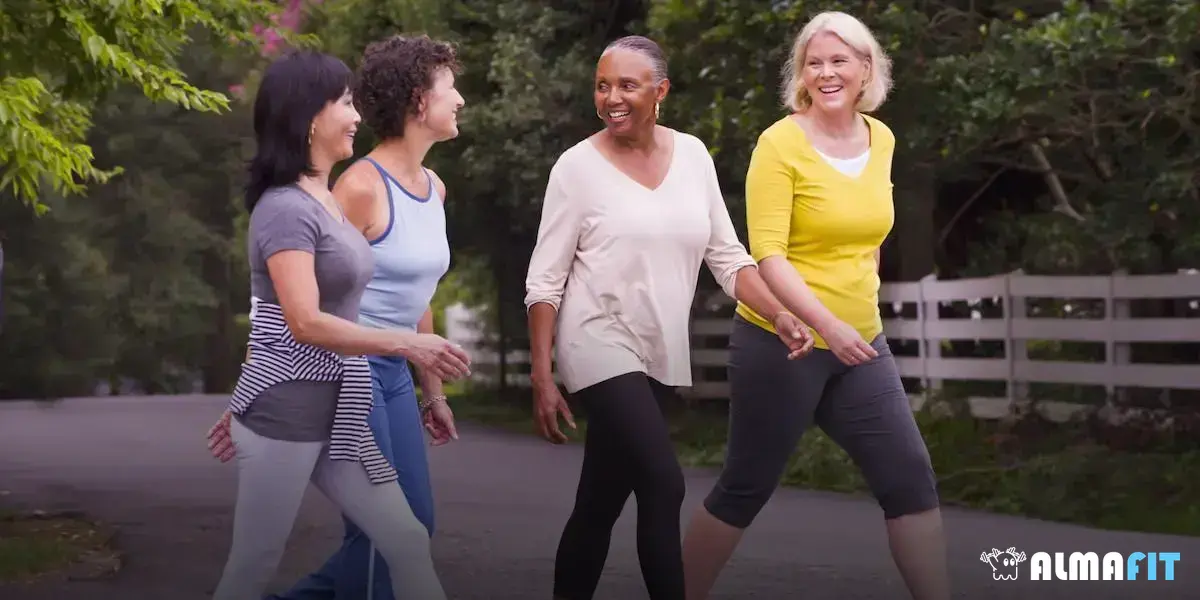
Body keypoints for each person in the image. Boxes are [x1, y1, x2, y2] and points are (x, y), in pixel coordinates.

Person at [523, 35, 814, 600]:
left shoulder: (694, 156)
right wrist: (542, 372)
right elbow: (545, 280)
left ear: (661, 92)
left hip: (659, 351)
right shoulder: (576, 168)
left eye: (627, 85)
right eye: (602, 85)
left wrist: (777, 313)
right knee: (664, 483)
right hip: (595, 340)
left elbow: (729, 259)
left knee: (598, 504)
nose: (611, 98)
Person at [679, 12, 951, 600]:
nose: (826, 73)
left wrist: (859, 298)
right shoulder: (780, 144)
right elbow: (768, 256)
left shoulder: (882, 139)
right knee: (745, 487)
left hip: (860, 344)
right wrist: (825, 321)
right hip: (784, 343)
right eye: (814, 62)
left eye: (839, 61)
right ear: (801, 73)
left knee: (910, 481)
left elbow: (870, 231)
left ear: (865, 69)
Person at [209, 49, 469, 600]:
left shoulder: (324, 199)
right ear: (310, 116)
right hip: (287, 414)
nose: (357, 115)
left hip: (340, 402)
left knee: (405, 537)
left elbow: (358, 296)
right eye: (345, 103)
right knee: (253, 564)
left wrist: (424, 377)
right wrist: (408, 343)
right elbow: (299, 319)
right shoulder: (285, 208)